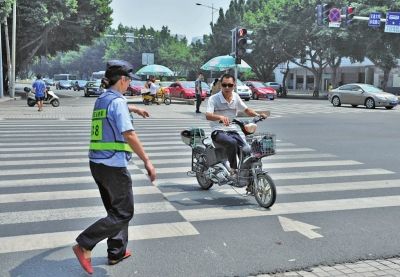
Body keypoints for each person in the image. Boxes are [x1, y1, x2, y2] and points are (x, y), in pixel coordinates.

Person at [72, 60, 156, 275]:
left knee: (115, 210)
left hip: (97, 164)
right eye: (129, 81)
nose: (129, 85)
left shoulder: (102, 99)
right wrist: (147, 160)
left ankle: (116, 252)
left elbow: (117, 107)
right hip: (113, 166)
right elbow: (129, 134)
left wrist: (133, 107)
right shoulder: (118, 102)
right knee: (124, 212)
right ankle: (85, 243)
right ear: (123, 80)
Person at [206, 73, 267, 173]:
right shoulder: (214, 98)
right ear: (221, 85)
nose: (227, 87)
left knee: (246, 149)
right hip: (218, 131)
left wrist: (258, 114)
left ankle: (246, 174)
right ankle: (233, 169)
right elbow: (208, 115)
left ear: (234, 85)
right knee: (232, 143)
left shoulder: (236, 97)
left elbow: (246, 110)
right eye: (224, 85)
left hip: (232, 131)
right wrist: (220, 117)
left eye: (229, 85)